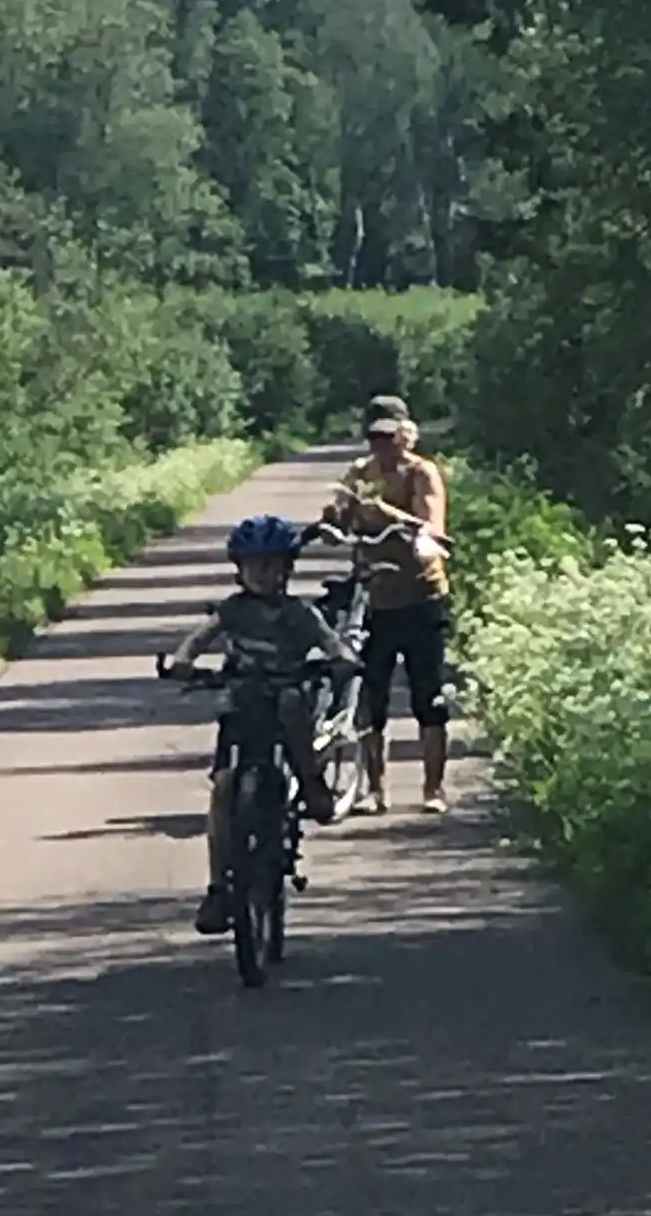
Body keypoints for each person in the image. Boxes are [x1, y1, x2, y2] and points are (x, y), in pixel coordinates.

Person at [165, 514, 360, 937]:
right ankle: (218, 889)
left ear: (289, 569)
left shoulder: (299, 613)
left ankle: (310, 781)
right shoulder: (234, 610)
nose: (265, 575)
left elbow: (330, 642)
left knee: (292, 702)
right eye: (256, 567)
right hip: (243, 703)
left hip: (286, 700)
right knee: (222, 788)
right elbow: (201, 636)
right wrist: (184, 661)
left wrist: (342, 658)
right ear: (240, 570)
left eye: (274, 566)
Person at [322, 394, 451, 815]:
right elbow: (341, 510)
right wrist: (333, 518)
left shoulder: (421, 473)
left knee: (426, 694)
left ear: (404, 434)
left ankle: (433, 789)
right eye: (373, 436)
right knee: (370, 692)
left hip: (420, 594)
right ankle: (375, 789)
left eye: (388, 435)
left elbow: (431, 524)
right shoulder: (361, 472)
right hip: (376, 596)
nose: (380, 445)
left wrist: (395, 519)